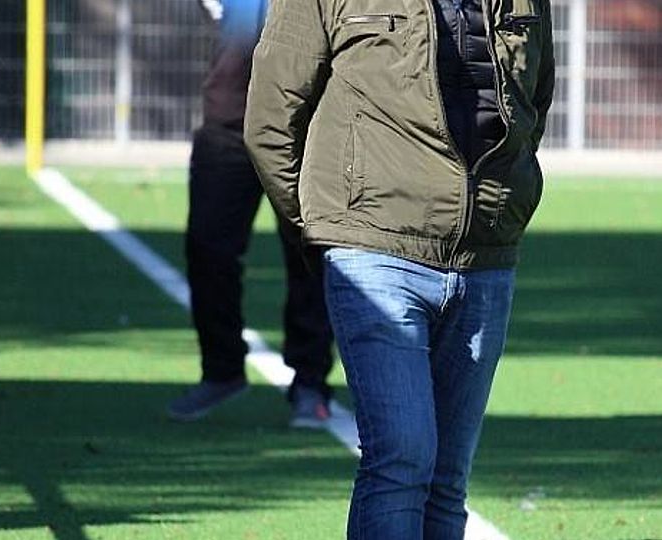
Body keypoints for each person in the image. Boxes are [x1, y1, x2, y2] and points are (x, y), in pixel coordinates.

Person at [244, 0, 555, 537]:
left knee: (447, 479)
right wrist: (327, 229)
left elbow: (535, 101)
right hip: (373, 250)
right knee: (402, 456)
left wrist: (506, 204)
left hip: (485, 258)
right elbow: (270, 120)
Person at [167, 0, 336, 428]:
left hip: (306, 127)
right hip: (228, 123)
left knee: (310, 255)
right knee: (207, 248)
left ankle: (310, 381)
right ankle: (221, 370)